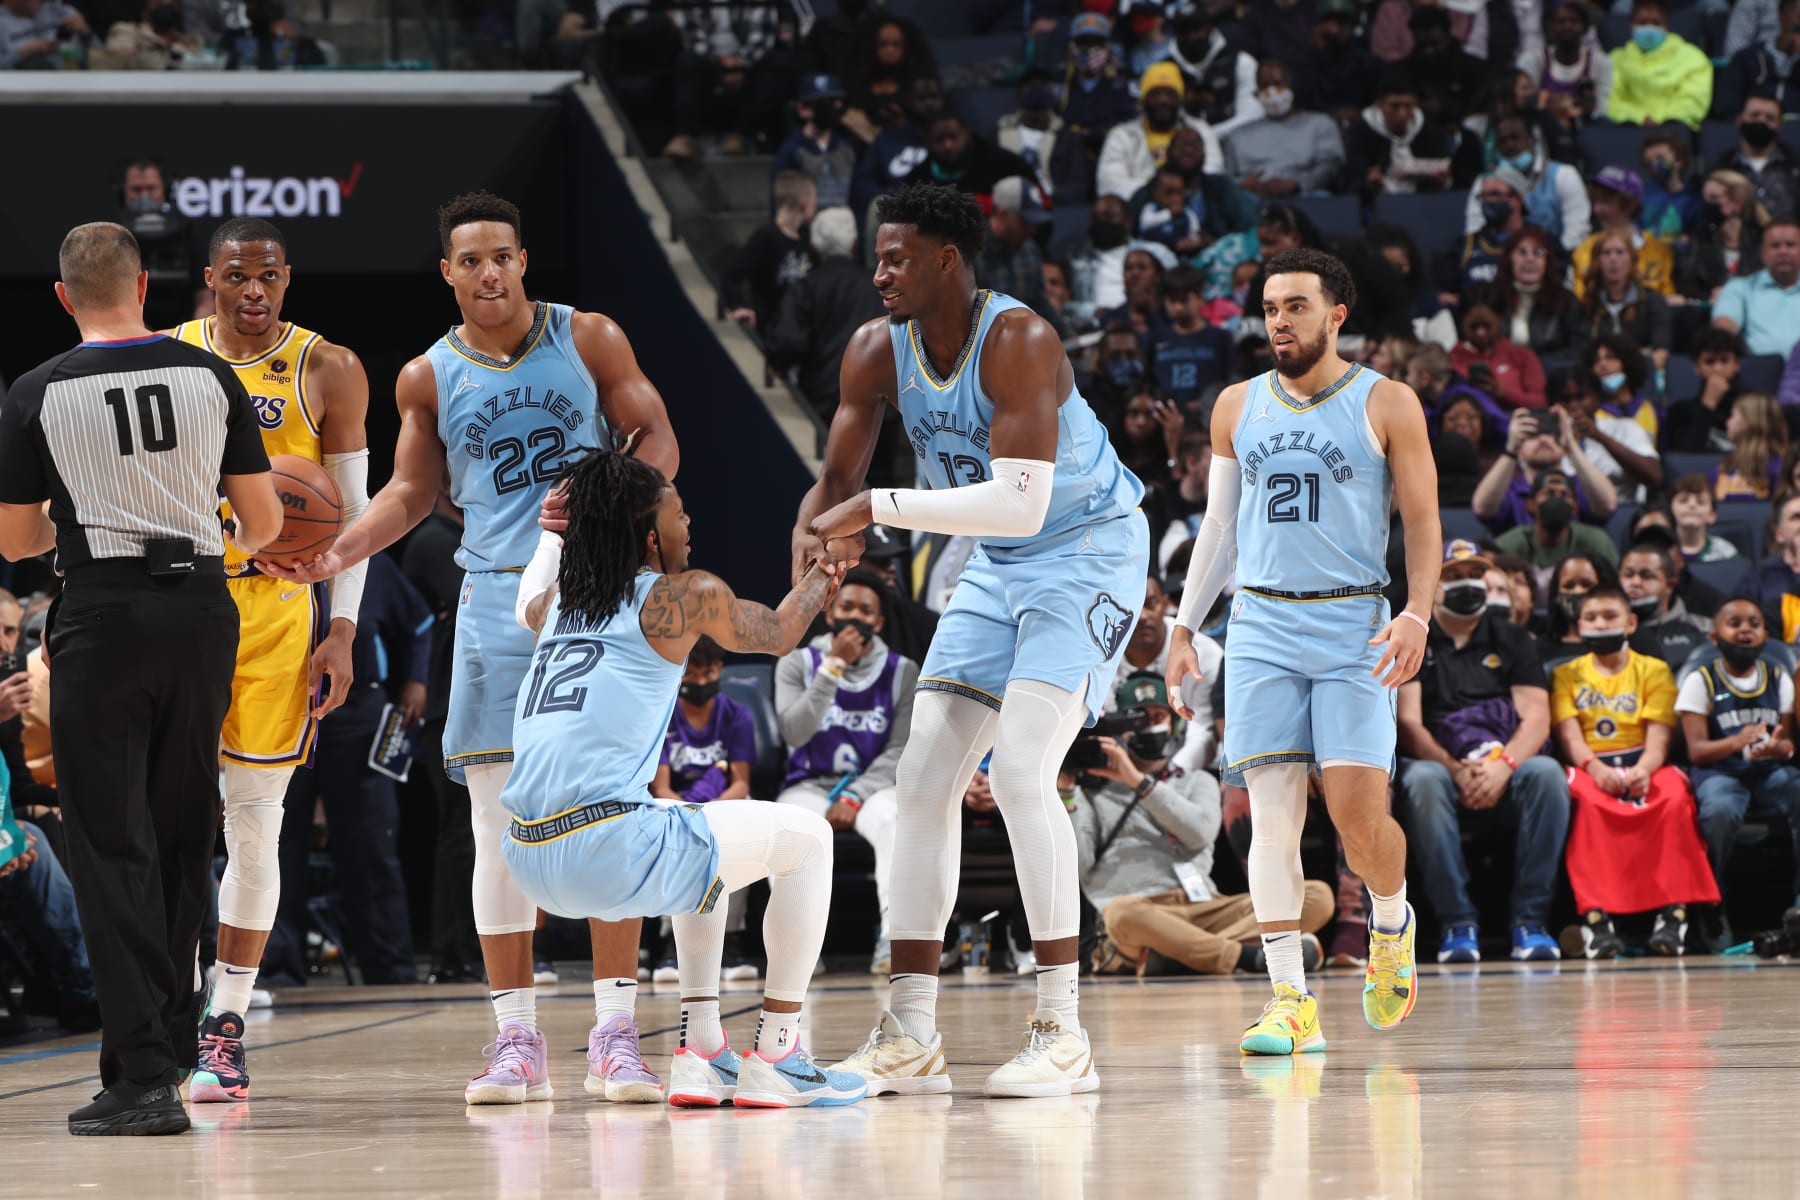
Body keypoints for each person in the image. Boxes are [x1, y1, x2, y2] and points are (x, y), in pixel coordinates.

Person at [262, 192, 680, 1105]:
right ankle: (515, 1040)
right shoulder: (426, 376)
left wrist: (603, 502)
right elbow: (411, 492)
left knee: (611, 807)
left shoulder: (590, 338)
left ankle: (617, 1033)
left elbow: (656, 439)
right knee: (495, 825)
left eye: (502, 256)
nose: (489, 272)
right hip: (493, 602)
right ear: (447, 273)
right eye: (470, 260)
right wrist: (338, 550)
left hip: (596, 596)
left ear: (524, 261)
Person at [796, 182, 1150, 1097]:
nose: (879, 274)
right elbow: (834, 476)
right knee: (921, 779)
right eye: (876, 256)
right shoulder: (877, 350)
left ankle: (1062, 1030)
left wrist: (875, 509)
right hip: (996, 560)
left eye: (897, 257)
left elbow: (1023, 500)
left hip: (1087, 549)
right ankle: (911, 1028)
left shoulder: (1020, 338)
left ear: (947, 260)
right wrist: (809, 554)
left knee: (1028, 767)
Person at [0, 222, 282, 1134]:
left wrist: (68, 522)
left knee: (108, 844)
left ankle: (144, 1073)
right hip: (203, 610)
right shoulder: (211, 376)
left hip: (102, 612)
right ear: (146, 289)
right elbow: (265, 523)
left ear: (63, 297)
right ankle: (165, 1048)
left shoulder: (36, 392)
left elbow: (16, 543)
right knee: (182, 832)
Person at [503, 453, 865, 1108]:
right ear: (649, 535)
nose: (688, 520)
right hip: (606, 848)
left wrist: (550, 537)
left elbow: (523, 597)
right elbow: (782, 632)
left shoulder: (557, 605)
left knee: (699, 845)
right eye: (677, 510)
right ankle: (782, 1051)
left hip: (527, 859)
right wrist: (827, 572)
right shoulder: (682, 594)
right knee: (810, 840)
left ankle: (701, 1047)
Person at [1166, 247, 1441, 1056]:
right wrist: (1184, 626)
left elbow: (1423, 523)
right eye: (1270, 307)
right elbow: (1218, 528)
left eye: (1295, 306)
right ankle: (1290, 999)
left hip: (1355, 623)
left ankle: (1392, 920)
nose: (1278, 320)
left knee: (1360, 823)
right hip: (1260, 629)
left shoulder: (1386, 402)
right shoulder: (1235, 405)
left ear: (1336, 315)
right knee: (1272, 819)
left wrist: (1418, 613)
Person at [159, 216, 372, 1103]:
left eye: (269, 277)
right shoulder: (161, 355)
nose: (254, 291)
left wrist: (343, 629)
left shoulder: (329, 367)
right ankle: (162, 1012)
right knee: (165, 825)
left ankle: (224, 1025)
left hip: (277, 614)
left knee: (254, 823)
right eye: (237, 275)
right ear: (210, 276)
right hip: (173, 603)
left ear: (288, 279)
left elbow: (356, 515)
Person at [1079, 675, 1334, 976]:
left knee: (1316, 896)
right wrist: (1066, 793)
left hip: (1206, 908)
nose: (1148, 726)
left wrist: (1138, 782)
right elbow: (1078, 865)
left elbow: (1199, 833)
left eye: (1157, 716)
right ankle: (1244, 957)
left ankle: (1178, 954)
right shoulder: (1092, 790)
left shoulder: (1198, 780)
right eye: (1138, 719)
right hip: (1141, 911)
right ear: (1120, 728)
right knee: (1120, 914)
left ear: (1173, 723)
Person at [1395, 540, 1568, 963]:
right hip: (1443, 767)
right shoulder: (1419, 636)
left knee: (1547, 773)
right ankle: (1458, 924)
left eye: (1473, 576)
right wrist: (1455, 769)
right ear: (1432, 584)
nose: (1466, 584)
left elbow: (1536, 718)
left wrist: (1504, 766)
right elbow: (1409, 723)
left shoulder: (1511, 637)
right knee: (1420, 779)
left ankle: (1531, 922)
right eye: (1453, 577)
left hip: (1504, 765)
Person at [269, 553, 428, 987]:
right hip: (284, 702)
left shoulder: (367, 556)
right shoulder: (268, 546)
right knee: (276, 842)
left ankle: (389, 967)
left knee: (371, 843)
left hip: (358, 709)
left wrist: (416, 679)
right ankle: (277, 966)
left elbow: (419, 622)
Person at [1551, 587, 1720, 958]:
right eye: (1591, 618)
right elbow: (1569, 736)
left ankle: (1674, 917)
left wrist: (1643, 770)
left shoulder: (1654, 669)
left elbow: (1660, 737)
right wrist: (1595, 769)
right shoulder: (1565, 674)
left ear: (1630, 623)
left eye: (1610, 616)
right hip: (1591, 763)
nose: (1600, 623)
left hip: (1645, 760)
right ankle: (1596, 921)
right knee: (1588, 804)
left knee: (1674, 796)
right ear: (1579, 626)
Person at [775, 566, 917, 974]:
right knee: (792, 827)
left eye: (867, 612)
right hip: (810, 783)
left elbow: (899, 750)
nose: (856, 618)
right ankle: (796, 949)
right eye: (847, 607)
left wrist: (857, 794)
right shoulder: (797, 663)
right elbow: (795, 732)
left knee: (893, 818)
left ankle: (893, 939)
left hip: (872, 788)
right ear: (831, 613)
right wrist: (833, 666)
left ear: (880, 623)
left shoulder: (902, 671)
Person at [1679, 598, 1800, 942]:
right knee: (1719, 810)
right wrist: (1737, 742)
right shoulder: (1699, 679)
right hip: (1719, 772)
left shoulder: (1779, 677)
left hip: (1768, 771)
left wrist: (1781, 748)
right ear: (1715, 637)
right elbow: (1697, 752)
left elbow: (1787, 743)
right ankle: (1710, 904)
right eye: (1735, 623)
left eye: (1754, 623)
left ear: (1765, 635)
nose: (1745, 629)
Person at [400, 477, 482, 983]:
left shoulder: (469, 540)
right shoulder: (433, 541)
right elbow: (473, 599)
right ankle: (452, 955)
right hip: (446, 708)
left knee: (477, 832)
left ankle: (470, 949)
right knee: (460, 831)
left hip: (471, 703)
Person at [766, 207, 887, 425]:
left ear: (813, 247)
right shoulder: (881, 289)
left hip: (822, 407)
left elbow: (786, 342)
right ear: (854, 244)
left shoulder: (805, 288)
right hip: (878, 411)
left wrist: (779, 363)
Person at [1472, 405, 1618, 535]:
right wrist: (1511, 449)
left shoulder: (1578, 487)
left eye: (1551, 433)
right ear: (1520, 450)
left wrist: (1570, 444)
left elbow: (1608, 505)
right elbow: (1481, 508)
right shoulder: (1509, 490)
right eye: (1532, 434)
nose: (1543, 439)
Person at [1096, 61, 1224, 204]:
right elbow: (1109, 183)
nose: (1163, 100)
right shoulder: (1121, 135)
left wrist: (1180, 194)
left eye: (1170, 94)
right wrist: (1154, 194)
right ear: (1144, 99)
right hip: (1137, 211)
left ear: (1180, 99)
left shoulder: (1200, 130)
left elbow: (1213, 172)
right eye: (1155, 94)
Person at [1222, 59, 1345, 200]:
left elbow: (1330, 165)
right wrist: (1241, 185)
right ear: (1257, 93)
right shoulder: (1237, 136)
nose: (1272, 92)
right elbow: (1226, 180)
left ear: (1290, 85)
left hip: (1304, 195)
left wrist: (1298, 183)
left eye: (1277, 84)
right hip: (1252, 199)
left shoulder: (1320, 124)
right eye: (1264, 86)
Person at [722, 171, 818, 333]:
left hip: (803, 329)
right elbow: (730, 276)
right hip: (773, 330)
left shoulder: (806, 238)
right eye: (815, 200)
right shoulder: (765, 238)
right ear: (805, 204)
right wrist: (739, 306)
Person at [1342, 70, 1456, 202]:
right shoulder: (1361, 132)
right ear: (1379, 104)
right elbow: (1350, 177)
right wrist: (1369, 182)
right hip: (1375, 203)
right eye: (1395, 106)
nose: (1402, 113)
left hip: (1424, 202)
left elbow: (1443, 169)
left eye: (1408, 106)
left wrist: (1442, 180)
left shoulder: (1431, 132)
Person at [1496, 469, 1621, 587]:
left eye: (1564, 495)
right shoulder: (1510, 544)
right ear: (1530, 505)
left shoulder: (1596, 540)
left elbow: (1615, 587)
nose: (1557, 499)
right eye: (1550, 493)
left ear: (1575, 508)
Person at [1570, 168, 1677, 303]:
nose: (1598, 209)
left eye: (1606, 201)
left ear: (1630, 204)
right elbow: (1582, 301)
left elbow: (1668, 298)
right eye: (1596, 201)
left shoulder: (1659, 250)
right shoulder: (1584, 251)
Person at [1605, 0, 1713, 130]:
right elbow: (1609, 101)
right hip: (1627, 130)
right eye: (1643, 22)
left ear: (1666, 26)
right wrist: (1641, 118)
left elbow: (1692, 101)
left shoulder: (1694, 58)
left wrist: (1666, 123)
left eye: (1656, 23)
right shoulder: (1615, 59)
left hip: (1677, 131)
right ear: (1631, 26)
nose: (1649, 28)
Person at [976, 177, 1061, 332]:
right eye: (1025, 221)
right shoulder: (971, 252)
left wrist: (1066, 336)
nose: (1032, 229)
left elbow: (1038, 303)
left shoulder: (1029, 249)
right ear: (1001, 214)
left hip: (1024, 340)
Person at [1148, 266, 1232, 415]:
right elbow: (1150, 383)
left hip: (1210, 414)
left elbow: (1229, 383)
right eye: (1172, 301)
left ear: (1200, 298)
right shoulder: (1155, 339)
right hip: (1164, 414)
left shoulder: (1221, 338)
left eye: (1184, 300)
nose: (1178, 307)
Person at [1712, 220, 1800, 358]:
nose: (1783, 251)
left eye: (1791, 245)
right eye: (1775, 246)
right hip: (1758, 373)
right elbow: (1724, 327)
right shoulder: (1740, 288)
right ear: (1763, 253)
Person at [1494, 227, 1585, 361]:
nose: (1530, 259)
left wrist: (1535, 369)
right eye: (1522, 252)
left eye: (1538, 253)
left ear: (1547, 261)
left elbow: (1578, 349)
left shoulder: (1565, 301)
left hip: (1551, 376)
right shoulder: (1494, 298)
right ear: (1509, 259)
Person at [1679, 171, 1770, 304]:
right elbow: (1688, 286)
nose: (1708, 204)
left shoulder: (1762, 241)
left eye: (1714, 198)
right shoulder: (1699, 242)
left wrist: (1733, 295)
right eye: (1705, 199)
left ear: (1737, 203)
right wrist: (1708, 297)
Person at [1580, 232, 1672, 363]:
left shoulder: (1652, 301)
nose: (1613, 259)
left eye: (1620, 252)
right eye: (1606, 253)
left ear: (1632, 260)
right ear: (1597, 261)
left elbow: (1661, 351)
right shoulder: (1589, 304)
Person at [1449, 288, 1547, 411]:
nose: (1481, 333)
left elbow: (1540, 402)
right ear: (1462, 322)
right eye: (1474, 326)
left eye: (1487, 325)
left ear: (1500, 320)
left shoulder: (1523, 355)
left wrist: (1504, 394)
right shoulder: (1451, 359)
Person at [1620, 539, 1712, 668]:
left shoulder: (1703, 629)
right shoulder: (1606, 632)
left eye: (1647, 576)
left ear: (1669, 585)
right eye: (1628, 575)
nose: (1635, 582)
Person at [770, 76, 856, 212]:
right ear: (802, 109)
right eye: (822, 103)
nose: (829, 108)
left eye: (833, 102)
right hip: (807, 225)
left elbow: (858, 199)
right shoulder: (791, 152)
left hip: (846, 225)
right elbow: (781, 205)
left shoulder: (848, 149)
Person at [1711, 92, 1800, 225]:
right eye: (1755, 115)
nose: (1762, 121)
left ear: (1780, 125)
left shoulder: (1795, 165)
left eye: (1770, 118)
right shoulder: (1720, 167)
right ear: (1739, 119)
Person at [1520, 1, 1612, 122]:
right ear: (1550, 29)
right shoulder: (1533, 60)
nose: (1567, 26)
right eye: (1561, 22)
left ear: (1585, 29)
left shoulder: (1600, 62)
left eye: (1574, 22)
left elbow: (1604, 110)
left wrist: (1589, 110)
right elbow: (1524, 104)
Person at [1665, 329, 1745, 452]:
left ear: (1736, 364)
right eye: (1710, 361)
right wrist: (1708, 405)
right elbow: (1682, 460)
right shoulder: (1681, 411)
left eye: (1724, 360)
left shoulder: (1753, 407)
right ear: (1697, 367)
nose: (1718, 368)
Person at [1712, 391, 1787, 500]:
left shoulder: (1780, 466)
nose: (1727, 422)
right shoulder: (1724, 465)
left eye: (1732, 416)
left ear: (1750, 421)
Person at [1670, 474, 1745, 562]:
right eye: (1683, 500)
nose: (1692, 505)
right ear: (1670, 509)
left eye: (1701, 502)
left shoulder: (1726, 553)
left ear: (1712, 515)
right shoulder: (1659, 551)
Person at [1640, 133, 1700, 242]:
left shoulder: (1694, 198)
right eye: (1649, 162)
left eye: (1660, 158)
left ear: (1679, 161)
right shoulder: (1642, 196)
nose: (1654, 165)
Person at [0, 0, 93, 68]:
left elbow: (101, 56)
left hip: (73, 78)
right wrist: (23, 52)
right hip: (21, 86)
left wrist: (86, 34)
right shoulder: (2, 21)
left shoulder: (63, 12)